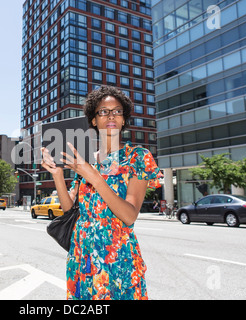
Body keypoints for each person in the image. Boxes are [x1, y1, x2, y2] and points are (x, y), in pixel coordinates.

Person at [41, 86, 162, 300]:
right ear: (94, 121)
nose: (111, 115)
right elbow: (70, 211)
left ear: (124, 119)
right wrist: (58, 175)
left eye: (117, 111)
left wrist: (93, 175)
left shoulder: (137, 157)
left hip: (118, 260)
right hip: (82, 258)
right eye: (103, 111)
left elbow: (129, 215)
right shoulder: (85, 160)